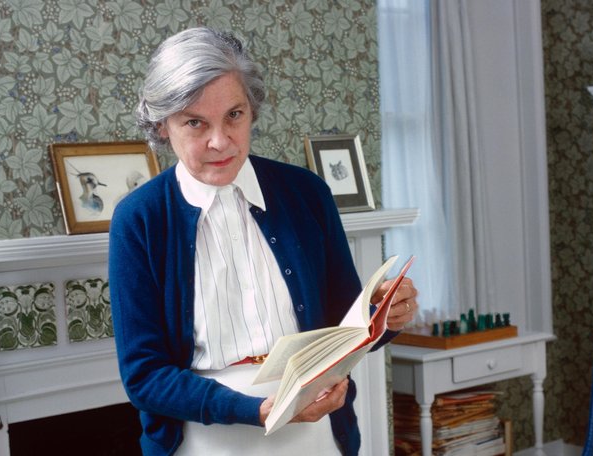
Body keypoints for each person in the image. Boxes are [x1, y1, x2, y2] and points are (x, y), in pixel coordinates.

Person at [109, 27, 419, 456]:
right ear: (163, 125)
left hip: (318, 435)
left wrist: (386, 316)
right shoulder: (139, 219)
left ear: (251, 110)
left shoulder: (307, 194)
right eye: (195, 122)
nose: (220, 141)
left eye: (234, 115)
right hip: (204, 441)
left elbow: (346, 327)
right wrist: (258, 410)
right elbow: (144, 376)